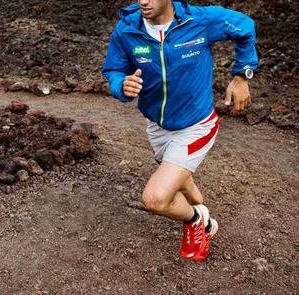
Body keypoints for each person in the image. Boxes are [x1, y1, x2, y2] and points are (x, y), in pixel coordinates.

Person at [102, 0, 258, 261]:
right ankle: (204, 214)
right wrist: (121, 85)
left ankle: (197, 221)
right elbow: (114, 69)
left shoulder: (200, 21)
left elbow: (245, 27)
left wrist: (242, 75)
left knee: (156, 199)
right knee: (182, 181)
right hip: (157, 127)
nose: (143, 1)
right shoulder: (127, 29)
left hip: (196, 126)